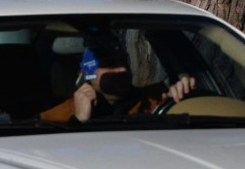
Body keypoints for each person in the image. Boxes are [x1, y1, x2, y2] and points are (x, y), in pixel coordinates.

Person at [41, 32, 195, 123]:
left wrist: (183, 100)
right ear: (86, 74)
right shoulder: (58, 117)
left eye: (124, 61)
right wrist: (79, 120)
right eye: (109, 64)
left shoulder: (158, 98)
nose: (122, 69)